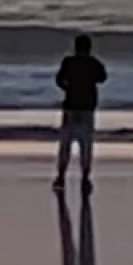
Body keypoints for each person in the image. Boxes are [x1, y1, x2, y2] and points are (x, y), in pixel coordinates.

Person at [52, 34, 106, 193]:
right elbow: (103, 77)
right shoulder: (93, 63)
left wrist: (68, 88)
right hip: (87, 107)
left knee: (66, 144)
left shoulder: (69, 62)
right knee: (86, 144)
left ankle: (61, 176)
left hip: (71, 106)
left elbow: (59, 80)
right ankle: (85, 178)